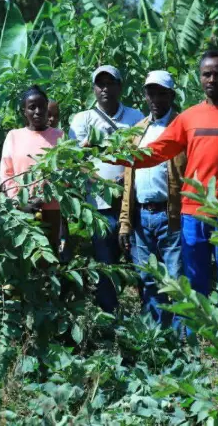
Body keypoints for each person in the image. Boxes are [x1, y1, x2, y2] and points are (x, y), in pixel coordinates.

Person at [116, 50, 218, 326]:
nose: (212, 79)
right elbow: (156, 152)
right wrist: (110, 155)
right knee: (195, 284)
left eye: (217, 74)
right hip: (193, 214)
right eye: (206, 74)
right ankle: (197, 342)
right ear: (199, 77)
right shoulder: (189, 117)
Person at [69, 65, 144, 313]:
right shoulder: (82, 120)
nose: (105, 89)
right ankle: (110, 319)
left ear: (120, 87)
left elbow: (143, 155)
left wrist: (126, 178)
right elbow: (76, 160)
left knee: (140, 264)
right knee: (105, 266)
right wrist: (104, 183)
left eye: (110, 83)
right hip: (99, 207)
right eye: (100, 84)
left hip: (131, 205)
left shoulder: (135, 117)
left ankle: (148, 317)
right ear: (93, 89)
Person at [118, 71, 186, 327]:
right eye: (151, 93)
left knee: (175, 280)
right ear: (145, 95)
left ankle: (181, 340)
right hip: (142, 216)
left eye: (161, 93)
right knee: (148, 279)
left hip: (171, 215)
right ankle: (156, 339)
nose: (155, 99)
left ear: (171, 95)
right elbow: (128, 179)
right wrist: (125, 222)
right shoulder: (138, 130)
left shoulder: (182, 126)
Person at [0, 85, 64, 253]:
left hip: (51, 207)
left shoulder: (59, 136)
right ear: (24, 111)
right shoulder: (14, 136)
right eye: (32, 107)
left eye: (41, 106)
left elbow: (65, 172)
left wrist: (43, 197)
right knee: (25, 254)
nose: (37, 111)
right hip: (20, 208)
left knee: (49, 252)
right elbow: (6, 172)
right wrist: (19, 202)